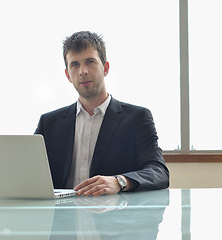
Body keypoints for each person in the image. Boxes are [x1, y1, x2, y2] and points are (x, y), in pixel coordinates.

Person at [35, 31, 169, 196]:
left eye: (90, 62)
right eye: (74, 64)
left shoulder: (137, 118)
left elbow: (159, 172)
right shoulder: (49, 123)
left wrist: (119, 181)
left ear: (105, 68)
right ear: (67, 75)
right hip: (60, 216)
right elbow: (29, 173)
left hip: (113, 215)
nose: (82, 71)